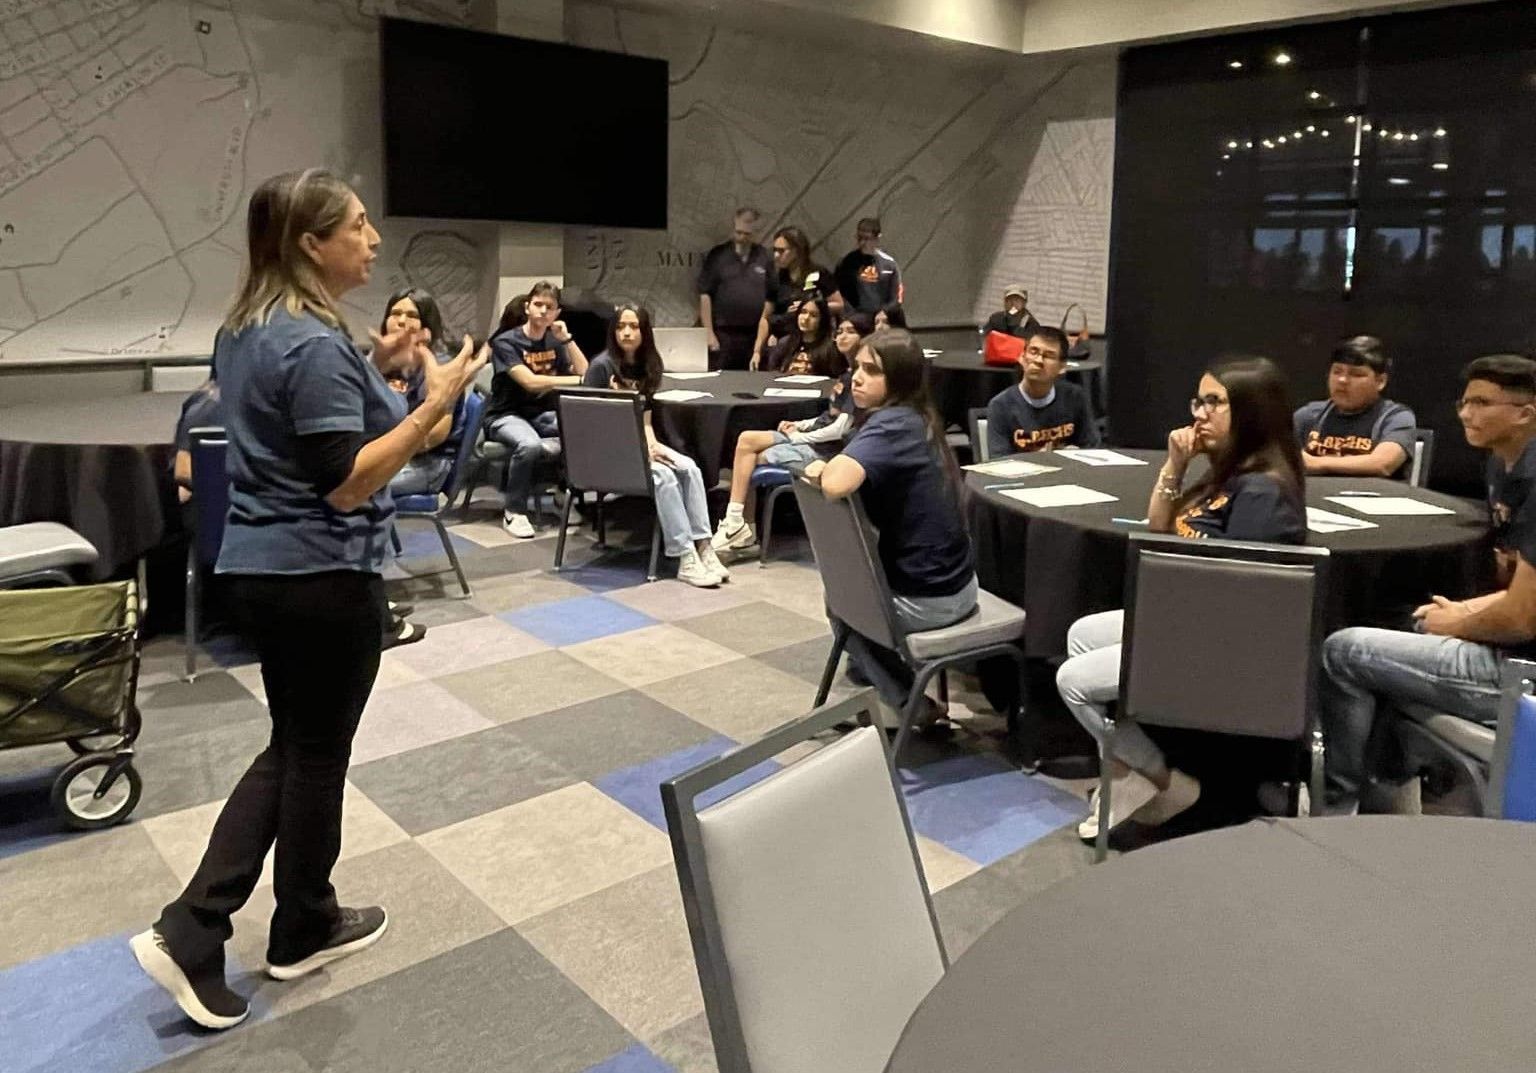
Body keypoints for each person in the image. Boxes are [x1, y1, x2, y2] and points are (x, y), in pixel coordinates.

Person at [130, 169, 485, 1031]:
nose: (372, 239)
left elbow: (305, 424)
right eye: (357, 227)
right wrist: (434, 399)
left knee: (299, 746)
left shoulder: (249, 330)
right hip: (321, 575)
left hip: (261, 568)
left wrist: (381, 369)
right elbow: (347, 483)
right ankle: (201, 924)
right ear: (310, 245)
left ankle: (300, 921)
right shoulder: (314, 344)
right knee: (309, 754)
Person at [1055, 357, 1306, 841]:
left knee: (1074, 682)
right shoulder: (1228, 473)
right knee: (1082, 635)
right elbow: (1158, 528)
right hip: (1190, 623)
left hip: (1219, 648)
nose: (1200, 413)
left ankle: (1159, 780)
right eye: (1200, 400)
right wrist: (1174, 465)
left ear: (1252, 413)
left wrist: (1164, 631)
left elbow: (1240, 603)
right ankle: (1138, 766)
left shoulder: (1262, 494)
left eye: (1216, 403)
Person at [1318, 354, 1536, 814]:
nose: (1465, 413)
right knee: (1403, 622)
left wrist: (1459, 621)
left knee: (1345, 650)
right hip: (1517, 642)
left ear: (1524, 413)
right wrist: (1461, 613)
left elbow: (1521, 617)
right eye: (1464, 401)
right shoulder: (1504, 464)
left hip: (1521, 671)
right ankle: (1391, 793)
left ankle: (1340, 808)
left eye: (1481, 403)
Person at [801, 328, 976, 722]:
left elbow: (836, 483)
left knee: (843, 603)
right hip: (960, 585)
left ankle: (907, 703)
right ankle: (877, 679)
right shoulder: (916, 418)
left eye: (871, 371)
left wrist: (821, 469)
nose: (856, 378)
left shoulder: (892, 425)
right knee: (856, 593)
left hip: (933, 600)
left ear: (899, 380)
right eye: (856, 368)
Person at [581, 303, 731, 587]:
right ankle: (684, 556)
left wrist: (652, 446)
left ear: (644, 332)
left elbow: (646, 420)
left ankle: (703, 547)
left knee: (689, 468)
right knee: (664, 478)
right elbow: (592, 428)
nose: (626, 333)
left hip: (639, 446)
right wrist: (637, 450)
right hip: (608, 453)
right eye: (621, 327)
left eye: (634, 327)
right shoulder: (600, 368)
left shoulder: (649, 365)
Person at [712, 312, 872, 554]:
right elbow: (828, 417)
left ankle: (743, 528)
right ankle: (737, 523)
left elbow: (840, 429)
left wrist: (800, 437)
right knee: (746, 440)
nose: (842, 337)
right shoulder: (846, 374)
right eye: (840, 331)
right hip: (811, 438)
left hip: (825, 452)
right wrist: (800, 424)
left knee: (748, 460)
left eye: (850, 332)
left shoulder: (860, 381)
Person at [484, 282, 589, 538]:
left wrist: (567, 339)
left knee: (580, 434)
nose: (543, 311)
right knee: (529, 445)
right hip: (504, 415)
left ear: (557, 313)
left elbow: (586, 371)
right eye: (538, 305)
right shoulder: (505, 342)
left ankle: (562, 496)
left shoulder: (555, 342)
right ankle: (514, 511)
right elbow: (530, 382)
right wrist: (575, 381)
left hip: (539, 414)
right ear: (527, 307)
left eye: (549, 307)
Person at [1293, 335, 1417, 479]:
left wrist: (1316, 463)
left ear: (1380, 381)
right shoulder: (1309, 415)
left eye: (1356, 374)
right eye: (1337, 371)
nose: (1342, 380)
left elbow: (1383, 464)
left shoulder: (1394, 417)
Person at [984, 325, 1100, 456]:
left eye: (1049, 356)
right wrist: (1041, 458)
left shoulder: (1075, 397)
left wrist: (1074, 453)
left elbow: (1092, 446)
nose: (1038, 360)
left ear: (1062, 367)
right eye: (1033, 352)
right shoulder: (1001, 405)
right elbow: (998, 462)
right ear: (1022, 357)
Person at [752, 225, 842, 366]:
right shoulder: (776, 278)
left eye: (781, 251)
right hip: (784, 342)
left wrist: (808, 307)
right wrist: (757, 351)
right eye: (774, 250)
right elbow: (765, 318)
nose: (776, 255)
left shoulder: (818, 273)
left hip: (813, 342)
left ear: (797, 251)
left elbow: (838, 304)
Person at [697, 206, 773, 370]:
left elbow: (772, 298)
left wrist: (769, 334)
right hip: (724, 335)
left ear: (756, 233)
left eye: (747, 234)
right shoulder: (717, 255)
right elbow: (705, 295)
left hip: (755, 336)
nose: (741, 238)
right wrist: (709, 333)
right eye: (738, 232)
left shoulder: (765, 257)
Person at [834, 217, 903, 314]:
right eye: (859, 238)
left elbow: (896, 297)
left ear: (877, 238)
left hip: (881, 317)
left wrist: (884, 313)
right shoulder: (846, 262)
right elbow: (838, 293)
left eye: (866, 239)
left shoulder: (889, 264)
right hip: (853, 317)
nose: (862, 243)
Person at [763, 294, 842, 376]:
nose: (806, 318)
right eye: (803, 312)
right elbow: (772, 373)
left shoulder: (830, 348)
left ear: (822, 320)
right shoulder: (785, 343)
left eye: (813, 315)